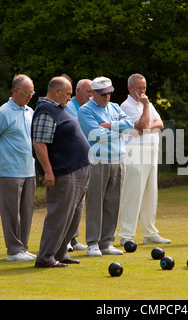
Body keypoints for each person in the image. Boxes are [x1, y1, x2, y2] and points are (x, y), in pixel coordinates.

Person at [32, 76, 91, 268]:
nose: (69, 97)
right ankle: (45, 257)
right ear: (57, 92)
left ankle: (60, 252)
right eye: (67, 93)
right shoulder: (46, 111)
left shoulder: (58, 109)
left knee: (73, 216)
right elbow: (40, 144)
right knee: (59, 215)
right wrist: (48, 171)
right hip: (64, 172)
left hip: (78, 168)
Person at [0, 74, 36, 261]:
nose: (30, 96)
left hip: (29, 170)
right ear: (16, 91)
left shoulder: (30, 111)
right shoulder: (2, 113)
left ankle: (23, 248)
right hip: (10, 171)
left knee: (26, 213)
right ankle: (13, 250)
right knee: (11, 213)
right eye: (27, 92)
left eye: (32, 93)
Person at [78, 76, 134, 257]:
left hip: (118, 159)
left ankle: (106, 242)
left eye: (109, 93)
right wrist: (118, 129)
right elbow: (96, 133)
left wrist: (110, 125)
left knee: (113, 201)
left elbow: (130, 125)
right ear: (92, 93)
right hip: (97, 160)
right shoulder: (85, 110)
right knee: (95, 202)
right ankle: (93, 242)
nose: (106, 97)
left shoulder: (115, 107)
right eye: (102, 94)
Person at [118, 73, 170, 245]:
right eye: (139, 88)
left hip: (151, 151)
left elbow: (159, 123)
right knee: (133, 193)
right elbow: (142, 126)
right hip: (135, 151)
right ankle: (126, 234)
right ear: (130, 88)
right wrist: (147, 109)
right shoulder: (126, 106)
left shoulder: (147, 103)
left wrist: (148, 123)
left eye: (144, 88)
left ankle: (149, 233)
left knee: (150, 194)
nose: (142, 91)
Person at [65, 79, 93, 252]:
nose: (91, 94)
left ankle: (73, 239)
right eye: (88, 91)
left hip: (85, 160)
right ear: (78, 91)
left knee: (79, 203)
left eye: (93, 91)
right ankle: (65, 239)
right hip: (70, 160)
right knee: (70, 201)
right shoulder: (68, 107)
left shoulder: (90, 109)